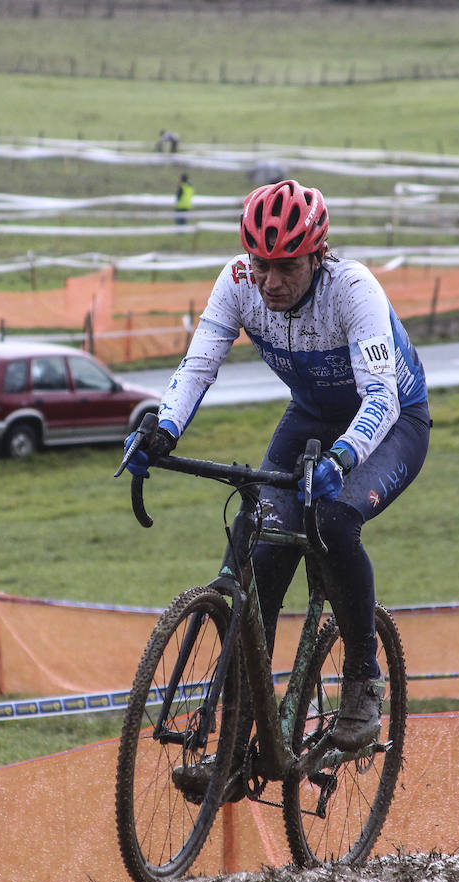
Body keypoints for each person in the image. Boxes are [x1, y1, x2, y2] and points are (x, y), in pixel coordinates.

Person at [123, 179, 431, 773]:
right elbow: (199, 362)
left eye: (285, 266)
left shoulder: (354, 289)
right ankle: (236, 745)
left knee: (336, 522)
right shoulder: (236, 283)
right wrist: (164, 430)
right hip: (311, 416)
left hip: (392, 422)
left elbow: (381, 398)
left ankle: (365, 683)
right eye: (261, 265)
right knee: (259, 559)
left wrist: (342, 460)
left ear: (317, 256)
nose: (269, 283)